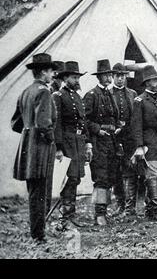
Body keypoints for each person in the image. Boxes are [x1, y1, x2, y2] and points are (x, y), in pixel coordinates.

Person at [11, 53, 57, 243]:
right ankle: (38, 235)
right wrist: (52, 139)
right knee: (40, 192)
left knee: (34, 192)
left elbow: (15, 123)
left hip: (27, 146)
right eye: (51, 72)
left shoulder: (26, 92)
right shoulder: (44, 92)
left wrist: (28, 131)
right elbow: (44, 124)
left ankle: (36, 231)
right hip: (40, 147)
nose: (53, 75)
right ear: (43, 72)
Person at [53, 61, 92, 230]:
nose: (77, 80)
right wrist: (59, 148)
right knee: (68, 178)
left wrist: (88, 142)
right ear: (65, 78)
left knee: (75, 178)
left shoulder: (77, 97)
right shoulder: (58, 96)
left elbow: (84, 122)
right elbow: (57, 124)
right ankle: (64, 218)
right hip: (66, 142)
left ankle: (70, 215)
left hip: (78, 142)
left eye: (78, 77)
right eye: (73, 77)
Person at [130, 65, 157, 223]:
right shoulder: (139, 100)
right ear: (147, 83)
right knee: (153, 174)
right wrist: (139, 146)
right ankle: (156, 210)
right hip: (149, 142)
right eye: (154, 80)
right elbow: (136, 125)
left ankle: (150, 208)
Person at [83, 59, 121, 226]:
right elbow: (84, 120)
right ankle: (99, 214)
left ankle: (104, 210)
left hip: (111, 141)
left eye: (110, 75)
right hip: (98, 142)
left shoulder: (110, 94)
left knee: (111, 175)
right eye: (105, 75)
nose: (108, 78)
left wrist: (118, 126)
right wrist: (98, 129)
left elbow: (114, 117)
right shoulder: (92, 95)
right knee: (101, 176)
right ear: (99, 77)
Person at [110, 63, 137, 216]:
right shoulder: (107, 94)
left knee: (130, 172)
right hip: (113, 139)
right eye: (117, 76)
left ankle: (130, 207)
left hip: (129, 139)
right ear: (113, 77)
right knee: (115, 173)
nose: (120, 79)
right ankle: (120, 204)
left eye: (122, 76)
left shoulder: (132, 94)